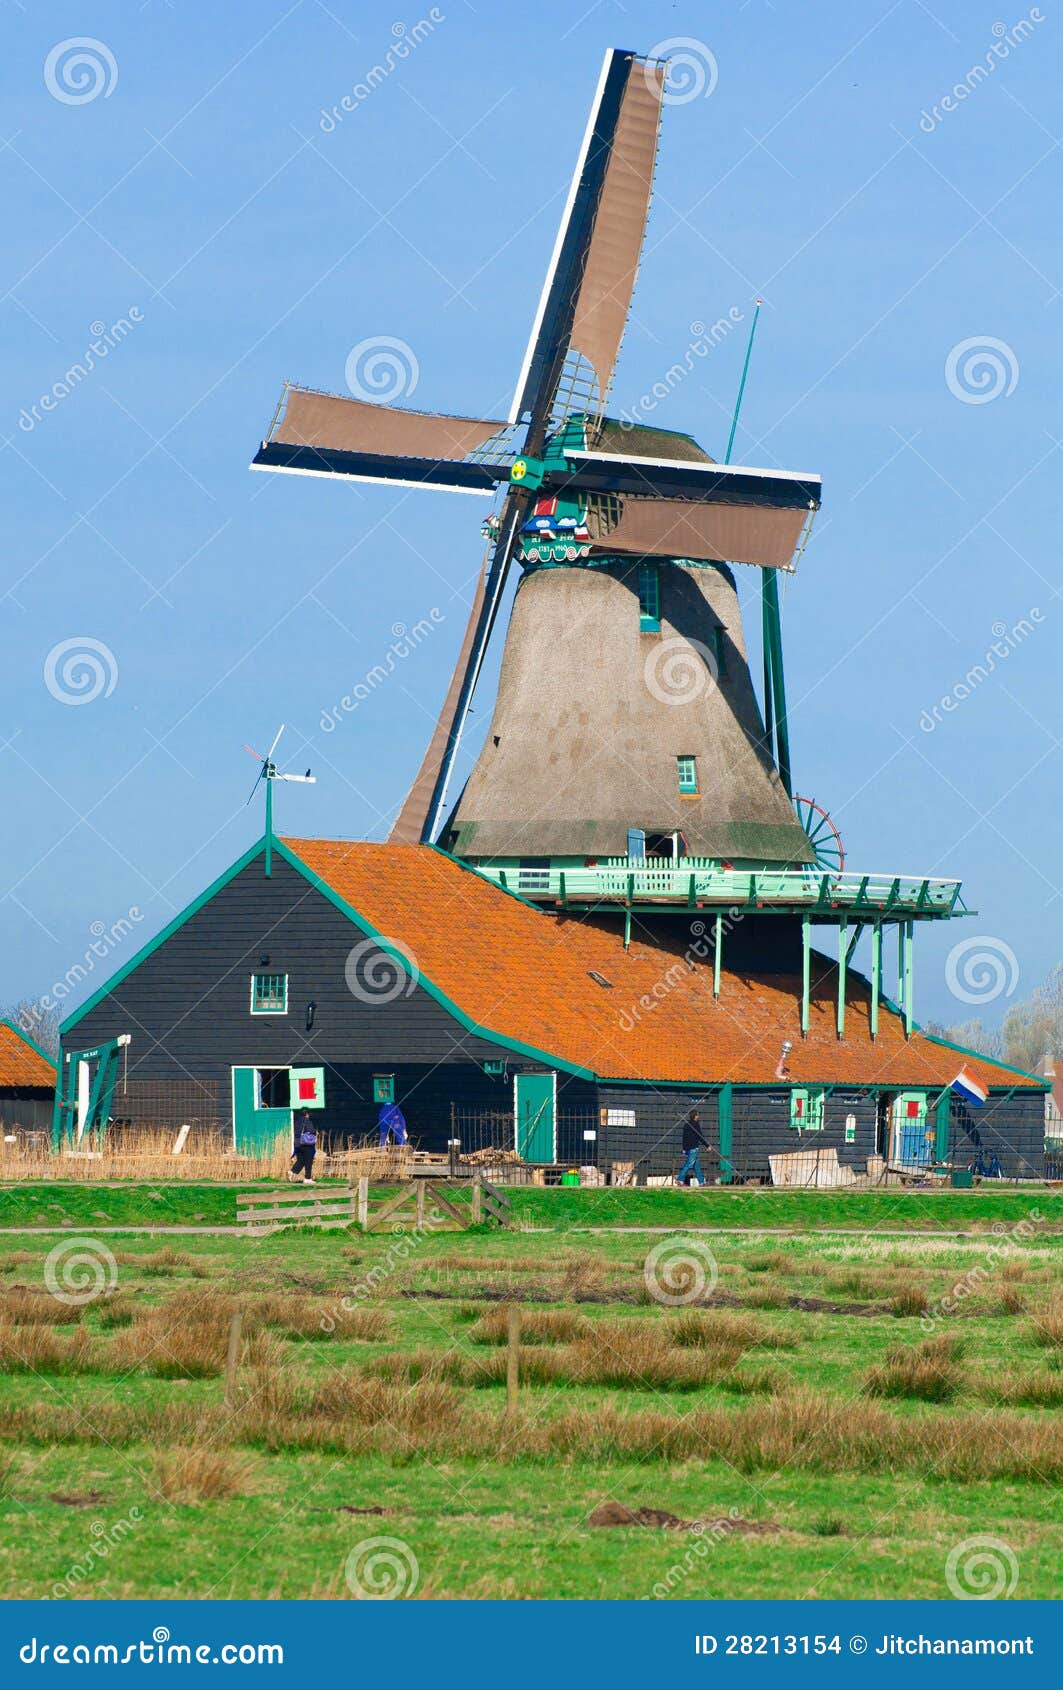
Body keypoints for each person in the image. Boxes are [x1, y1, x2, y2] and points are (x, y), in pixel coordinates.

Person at [678, 1108, 708, 1187]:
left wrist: (684, 1149)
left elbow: (684, 1138)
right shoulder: (696, 1124)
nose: (699, 1116)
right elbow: (700, 1136)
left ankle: (701, 1181)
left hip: (688, 1148)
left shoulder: (686, 1125)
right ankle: (680, 1180)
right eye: (698, 1115)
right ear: (695, 1116)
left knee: (696, 1165)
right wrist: (707, 1145)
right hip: (694, 1148)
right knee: (689, 1164)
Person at [290, 1109, 317, 1183]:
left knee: (301, 1160)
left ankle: (292, 1171)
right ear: (307, 1114)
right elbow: (311, 1130)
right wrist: (315, 1131)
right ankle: (307, 1178)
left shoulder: (297, 1122)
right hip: (306, 1143)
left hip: (297, 1144)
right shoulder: (307, 1121)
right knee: (308, 1161)